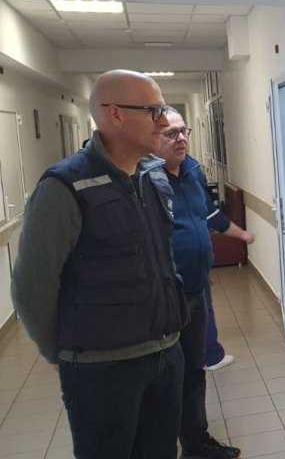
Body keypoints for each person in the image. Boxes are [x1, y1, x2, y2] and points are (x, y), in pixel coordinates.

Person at [11, 70, 188, 459]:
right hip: (101, 368)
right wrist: (62, 353)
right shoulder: (64, 187)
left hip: (165, 355)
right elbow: (32, 286)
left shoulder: (152, 177)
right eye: (154, 110)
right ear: (115, 114)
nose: (164, 121)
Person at [154, 108, 254, 458]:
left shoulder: (193, 170)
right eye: (171, 133)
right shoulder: (142, 178)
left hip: (195, 290)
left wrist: (240, 233)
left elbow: (208, 214)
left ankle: (196, 444)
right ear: (150, 137)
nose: (181, 138)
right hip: (160, 298)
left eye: (184, 131)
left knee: (194, 372)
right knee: (162, 380)